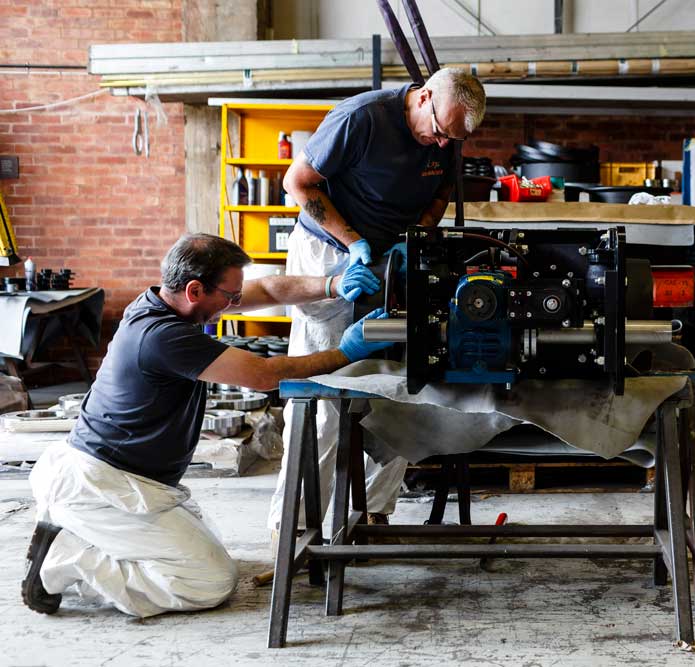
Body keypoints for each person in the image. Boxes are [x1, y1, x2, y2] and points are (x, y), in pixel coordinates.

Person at [22, 233, 393, 617]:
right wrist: (344, 351)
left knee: (203, 556)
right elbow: (264, 374)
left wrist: (332, 284)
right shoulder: (163, 336)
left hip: (128, 479)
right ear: (195, 289)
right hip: (103, 487)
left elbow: (266, 289)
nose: (235, 303)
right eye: (230, 297)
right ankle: (67, 557)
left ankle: (81, 538)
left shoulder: (169, 302)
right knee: (209, 582)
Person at [270, 67, 486, 532]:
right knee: (322, 394)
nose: (445, 145)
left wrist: (417, 237)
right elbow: (297, 183)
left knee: (396, 390)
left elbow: (440, 194)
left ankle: (373, 514)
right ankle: (292, 532)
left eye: (454, 139)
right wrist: (353, 243)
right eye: (441, 133)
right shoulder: (362, 118)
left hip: (393, 259)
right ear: (423, 97)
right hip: (329, 253)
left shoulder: (445, 136)